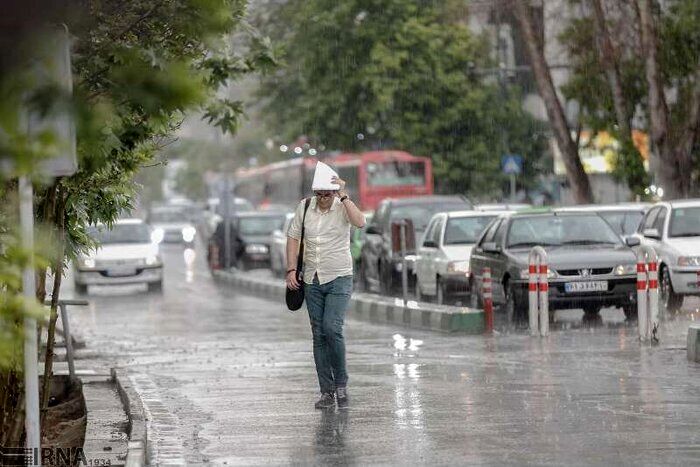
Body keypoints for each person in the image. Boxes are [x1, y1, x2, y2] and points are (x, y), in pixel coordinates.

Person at [286, 162, 365, 409]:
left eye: (326, 194)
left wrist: (343, 194)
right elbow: (293, 237)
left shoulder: (343, 207)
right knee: (318, 335)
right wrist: (291, 270)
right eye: (319, 194)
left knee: (332, 328)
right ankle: (326, 392)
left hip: (339, 276)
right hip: (311, 279)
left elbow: (360, 222)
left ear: (333, 193)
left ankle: (341, 384)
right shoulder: (305, 206)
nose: (322, 199)